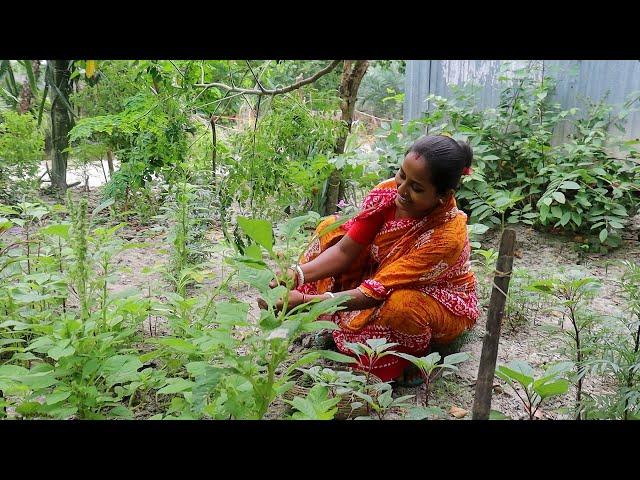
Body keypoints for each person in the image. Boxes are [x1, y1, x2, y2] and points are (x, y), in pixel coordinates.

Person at [270, 134, 479, 385]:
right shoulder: (388, 192)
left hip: (434, 299)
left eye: (417, 188)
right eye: (402, 175)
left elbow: (373, 293)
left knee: (403, 306)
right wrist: (296, 274)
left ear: (442, 197)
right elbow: (346, 250)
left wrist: (307, 302)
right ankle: (329, 316)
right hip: (382, 277)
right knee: (332, 230)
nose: (401, 190)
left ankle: (412, 359)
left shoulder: (446, 238)